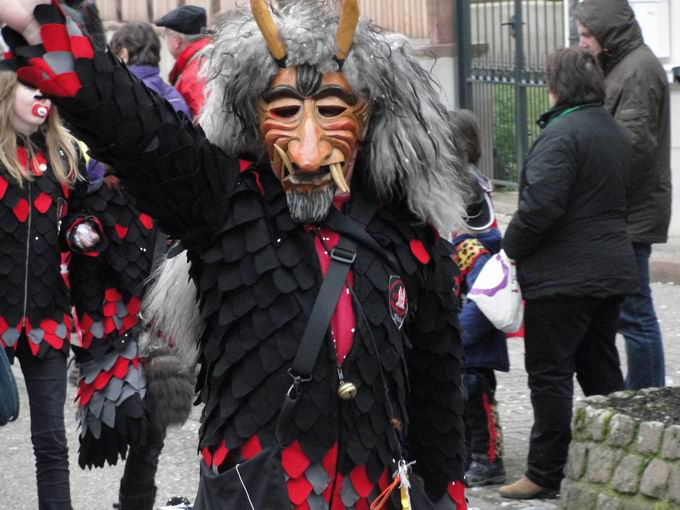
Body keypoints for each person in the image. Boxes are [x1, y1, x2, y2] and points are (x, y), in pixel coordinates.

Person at [0, 1, 471, 509]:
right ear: (253, 113)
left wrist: (447, 494)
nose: (307, 148)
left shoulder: (409, 237)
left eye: (332, 111)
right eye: (286, 111)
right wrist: (38, 23)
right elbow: (138, 133)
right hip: (252, 492)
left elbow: (436, 389)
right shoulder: (223, 206)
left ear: (369, 113)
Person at [498, 47, 638, 499]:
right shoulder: (613, 131)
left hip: (563, 279)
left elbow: (540, 207)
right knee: (601, 371)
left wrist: (509, 248)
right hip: (609, 269)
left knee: (550, 375)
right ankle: (618, 461)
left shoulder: (561, 135)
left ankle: (544, 472)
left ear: (556, 85)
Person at [69, 21, 193, 510]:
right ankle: (136, 497)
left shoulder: (155, 113)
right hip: (113, 274)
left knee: (155, 409)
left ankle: (136, 501)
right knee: (128, 411)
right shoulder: (161, 102)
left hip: (157, 262)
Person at [0, 64, 102, 508]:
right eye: (32, 89)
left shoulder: (65, 153)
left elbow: (78, 212)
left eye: (48, 92)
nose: (43, 99)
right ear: (7, 90)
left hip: (47, 318)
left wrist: (82, 230)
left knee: (52, 443)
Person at [575, 0, 671, 390]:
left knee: (635, 312)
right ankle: (642, 390)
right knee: (627, 309)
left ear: (607, 34)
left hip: (630, 212)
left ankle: (645, 395)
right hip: (625, 209)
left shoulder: (636, 71)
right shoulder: (624, 64)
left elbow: (633, 147)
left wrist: (593, 190)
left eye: (586, 35)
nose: (581, 44)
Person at [449, 110, 509, 488]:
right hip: (468, 299)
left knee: (476, 388)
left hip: (477, 301)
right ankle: (471, 452)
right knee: (464, 384)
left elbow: (472, 246)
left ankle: (488, 458)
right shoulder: (471, 181)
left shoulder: (465, 186)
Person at [154, 5, 210, 119]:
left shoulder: (194, 75)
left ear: (176, 41)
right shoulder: (209, 56)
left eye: (165, 36)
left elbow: (205, 127)